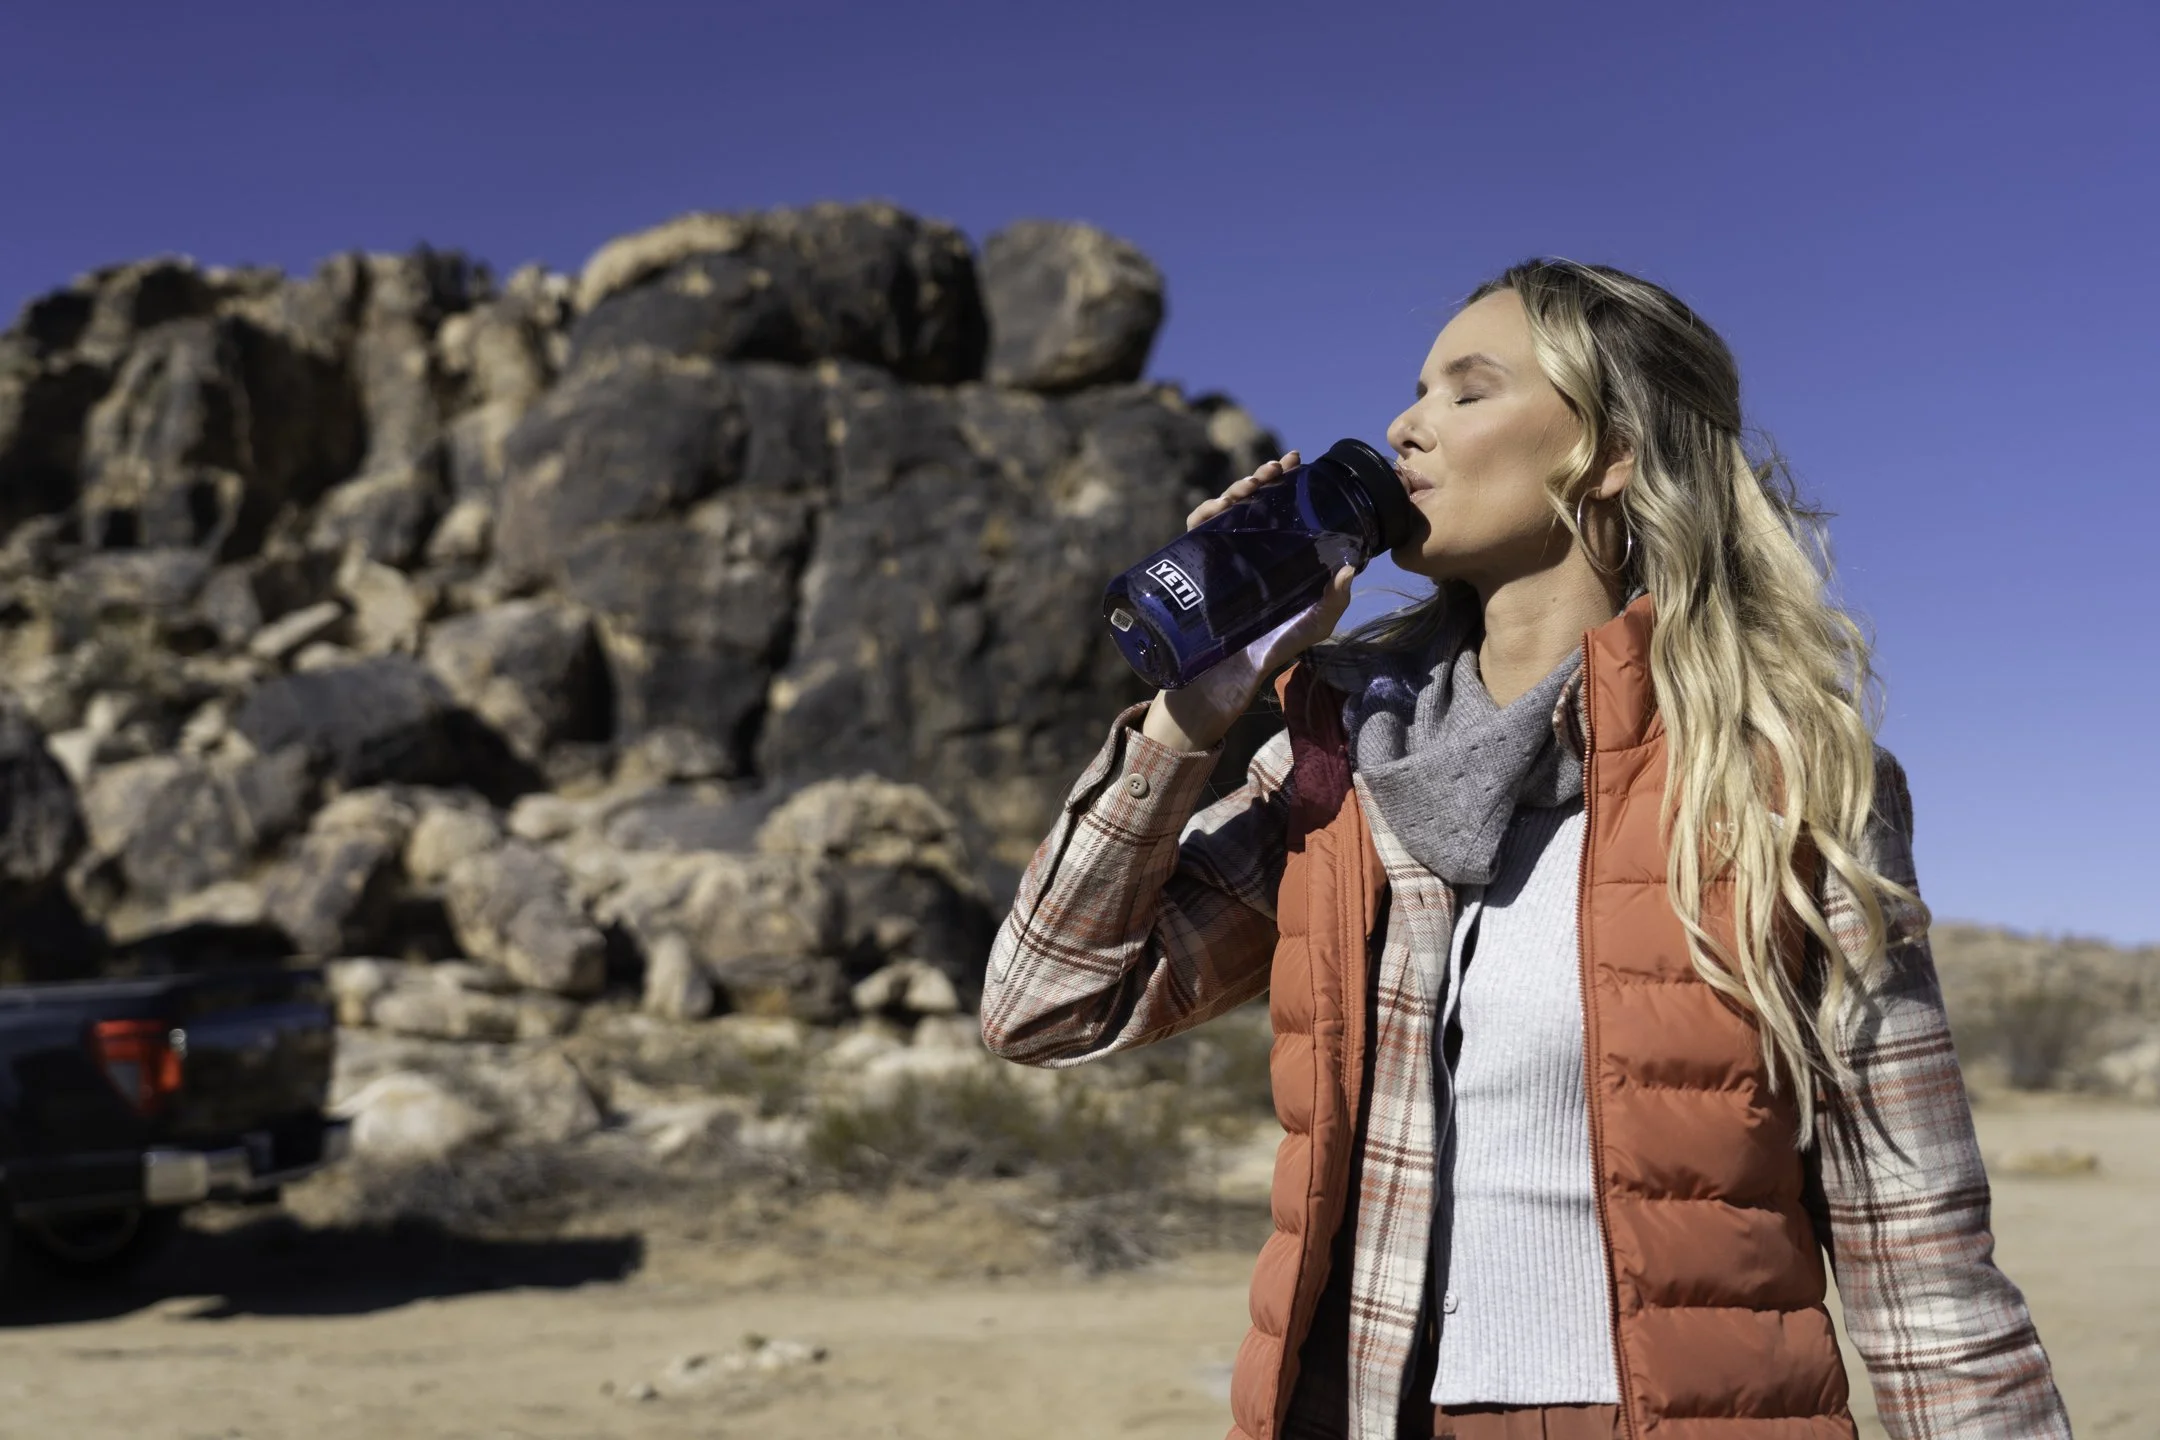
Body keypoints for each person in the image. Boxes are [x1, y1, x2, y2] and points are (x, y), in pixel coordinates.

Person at [978, 259, 2073, 1440]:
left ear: (1605, 452)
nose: (1406, 425)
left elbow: (1919, 1257)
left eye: (1468, 391)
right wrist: (1195, 709)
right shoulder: (1339, 775)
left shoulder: (1778, 786)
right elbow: (1047, 1008)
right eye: (1416, 390)